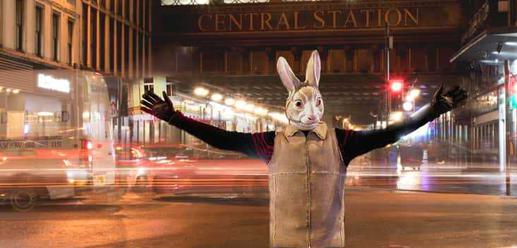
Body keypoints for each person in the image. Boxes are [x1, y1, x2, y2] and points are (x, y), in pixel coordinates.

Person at [141, 50, 467, 248]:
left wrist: (434, 110)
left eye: (316, 104)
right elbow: (222, 138)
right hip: (285, 243)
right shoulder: (271, 142)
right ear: (289, 105)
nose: (310, 112)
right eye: (301, 104)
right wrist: (175, 117)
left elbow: (390, 132)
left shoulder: (341, 141)